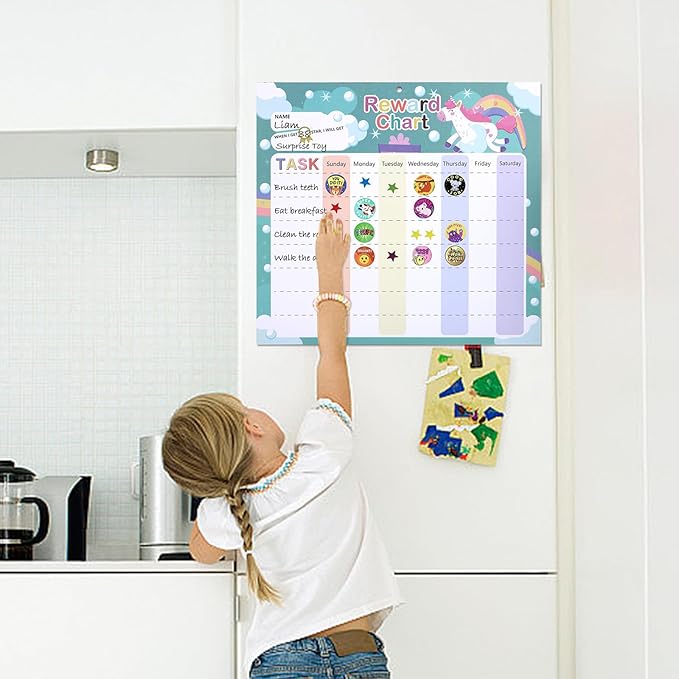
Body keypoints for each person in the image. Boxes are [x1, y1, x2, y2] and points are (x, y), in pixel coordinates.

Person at [162, 211, 403, 678]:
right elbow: (332, 355)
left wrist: (222, 497)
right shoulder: (325, 452)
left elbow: (200, 552)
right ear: (252, 425)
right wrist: (329, 271)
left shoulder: (226, 514)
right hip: (357, 652)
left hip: (279, 661)